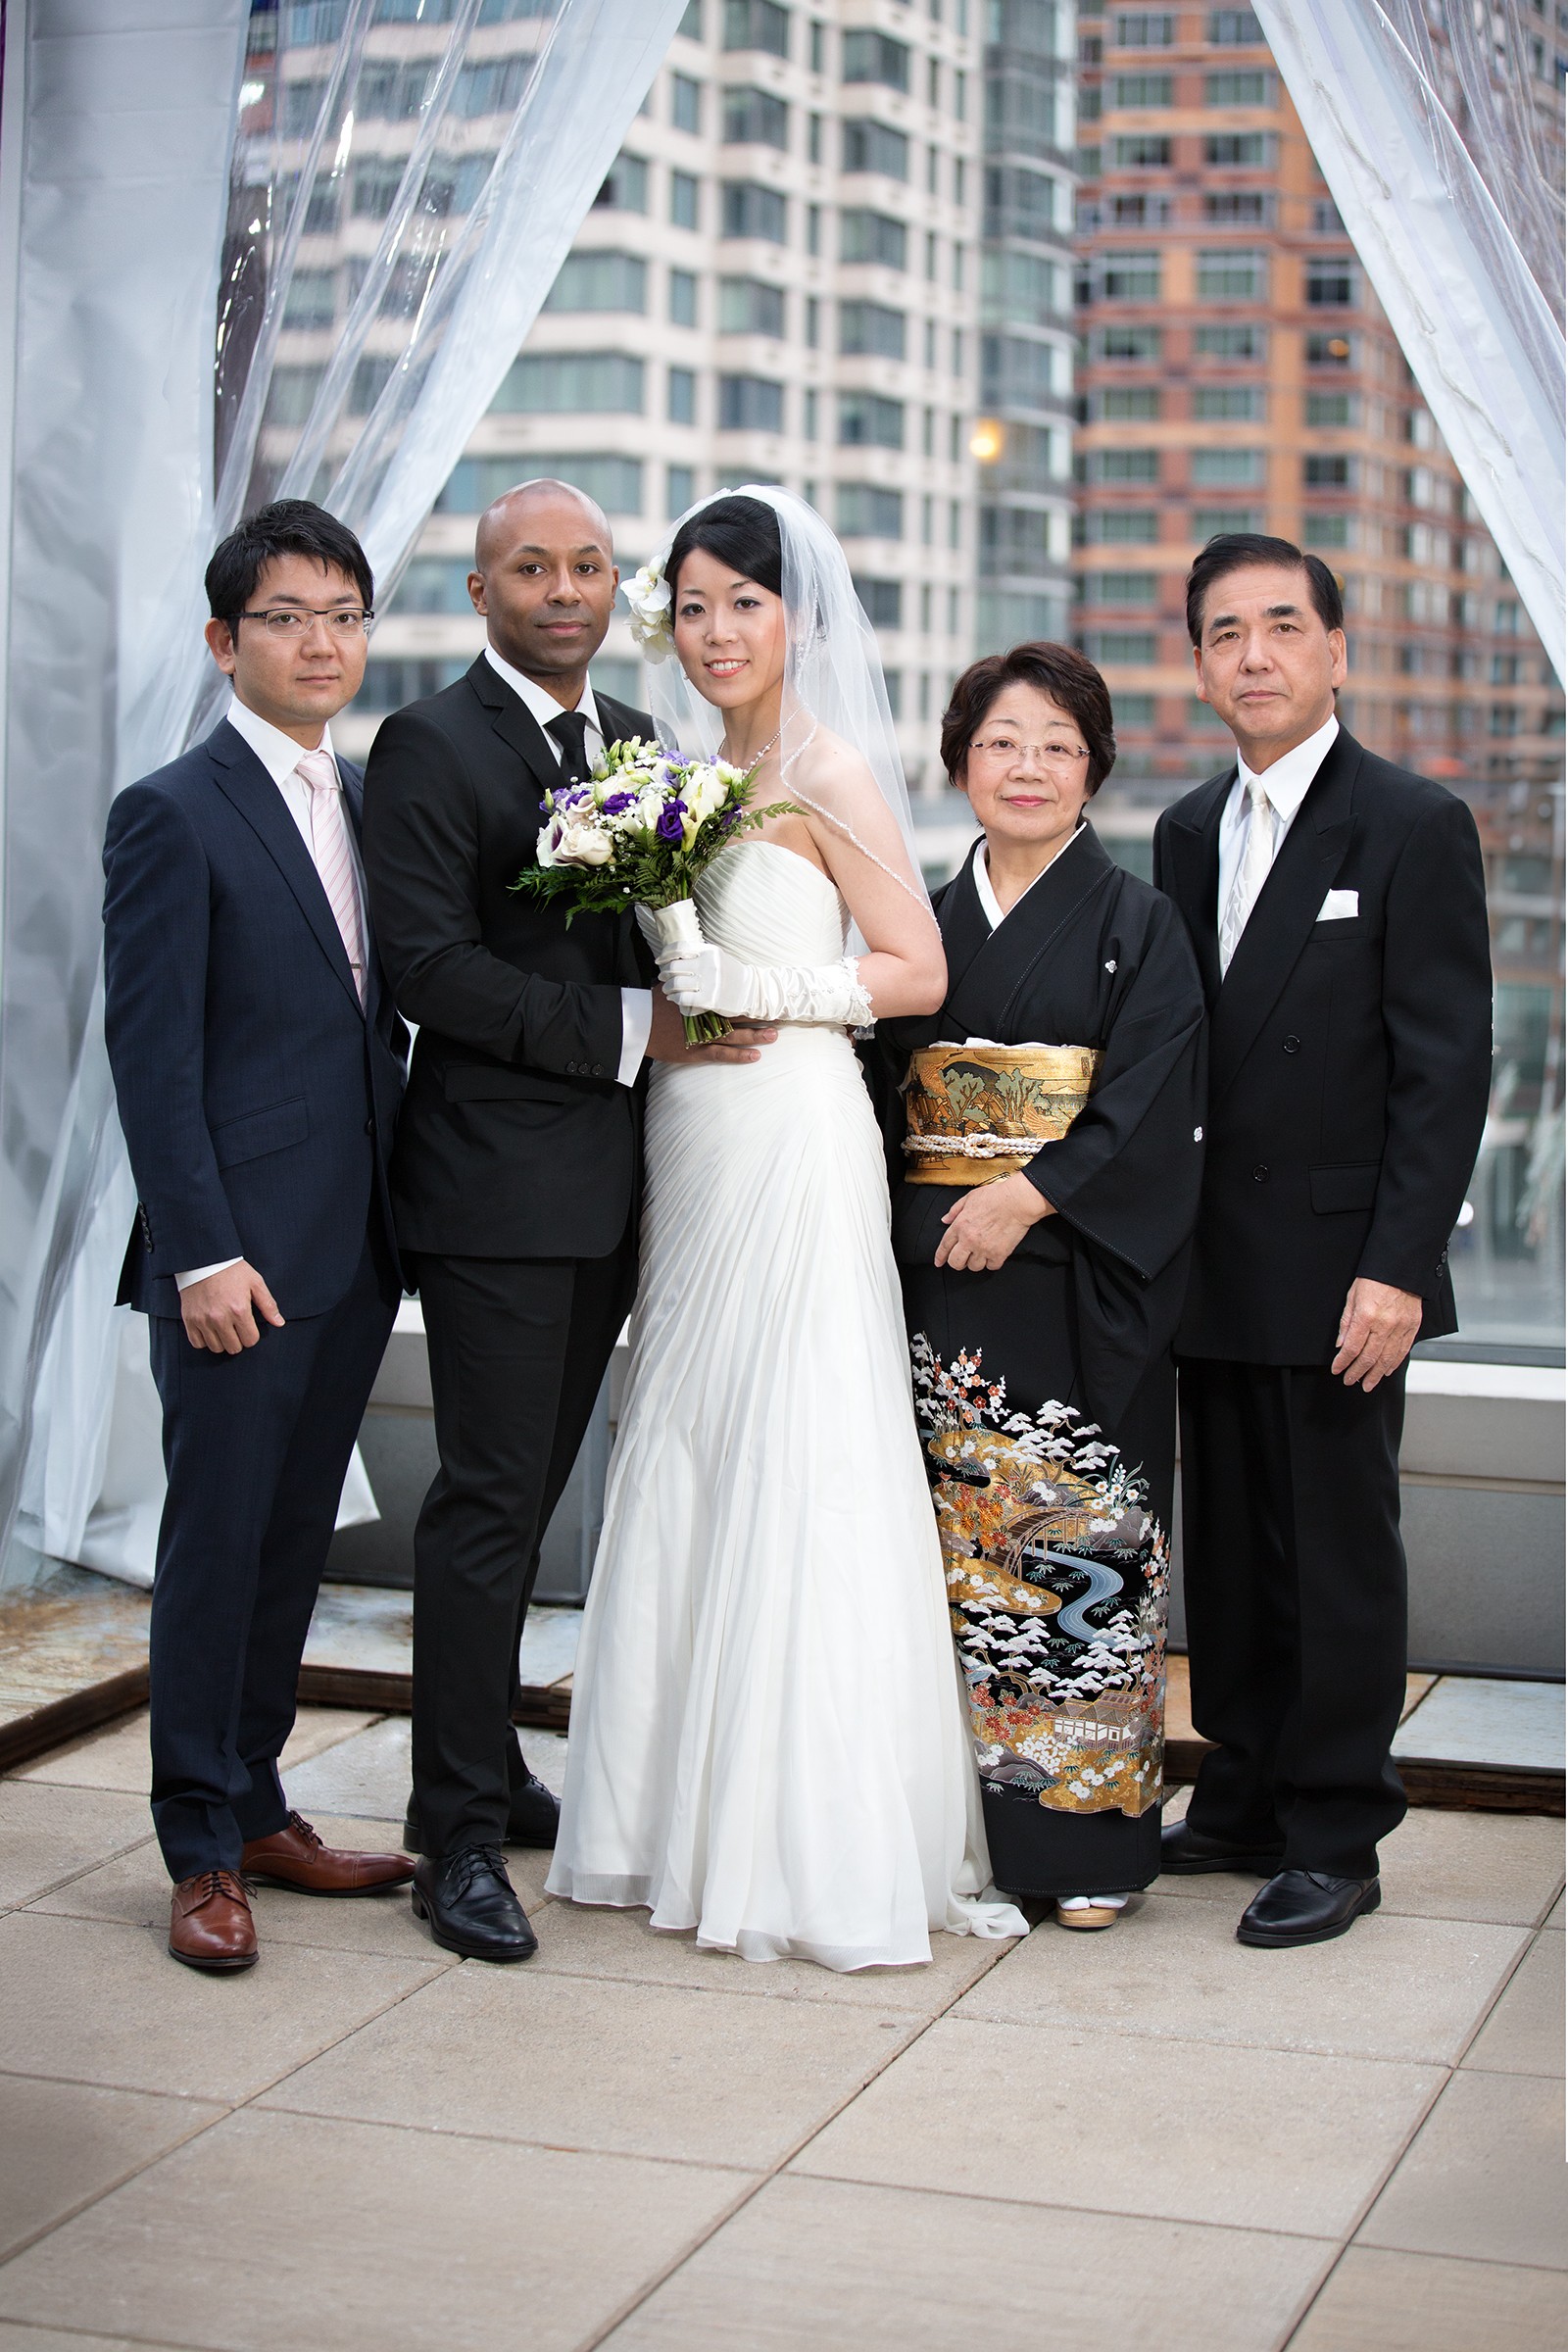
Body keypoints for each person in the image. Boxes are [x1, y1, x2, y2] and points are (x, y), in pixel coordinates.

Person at [546, 487, 1027, 1970]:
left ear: (796, 616)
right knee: (687, 1427)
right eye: (689, 607)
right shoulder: (666, 777)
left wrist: (759, 993)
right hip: (686, 1139)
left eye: (741, 604)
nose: (714, 632)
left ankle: (810, 1837)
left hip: (798, 1128)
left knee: (797, 1439)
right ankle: (659, 1817)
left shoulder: (827, 773)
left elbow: (919, 968)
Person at [360, 479, 772, 1965]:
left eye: (589, 565)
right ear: (480, 593)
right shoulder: (426, 744)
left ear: (618, 592)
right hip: (492, 1198)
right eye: (530, 566)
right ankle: (452, 1835)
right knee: (484, 1509)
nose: (563, 588)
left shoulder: (634, 745)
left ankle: (488, 1767)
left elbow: (662, 935)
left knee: (531, 1507)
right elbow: (429, 968)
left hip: (619, 1195)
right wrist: (630, 1031)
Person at [1153, 533, 1492, 1949]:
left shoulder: (1409, 822)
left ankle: (1338, 1829)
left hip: (1347, 1263)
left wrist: (1398, 1268)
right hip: (1210, 1259)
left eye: (1282, 627)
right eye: (1226, 634)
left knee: (1338, 1549)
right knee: (1228, 1546)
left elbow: (1447, 1065)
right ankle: (1238, 1790)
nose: (1255, 656)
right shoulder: (1181, 831)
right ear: (1199, 665)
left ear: (1336, 651)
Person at [101, 500, 415, 1973]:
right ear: (228, 643)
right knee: (216, 1547)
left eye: (344, 614)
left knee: (293, 1544)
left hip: (351, 1249)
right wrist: (198, 1252)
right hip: (236, 1263)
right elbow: (150, 1060)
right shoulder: (171, 812)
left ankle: (263, 1797)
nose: (320, 641)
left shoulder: (360, 802)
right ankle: (199, 1849)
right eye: (287, 616)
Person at [878, 644, 1206, 1930]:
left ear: (1093, 773)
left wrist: (1031, 1193)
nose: (1029, 766)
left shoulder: (1141, 926)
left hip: (1076, 1280)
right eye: (1004, 740)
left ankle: (1087, 1841)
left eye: (1059, 746)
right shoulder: (915, 924)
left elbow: (1158, 1097)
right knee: (942, 1558)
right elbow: (871, 1094)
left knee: (1078, 1552)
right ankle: (956, 1821)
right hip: (936, 1282)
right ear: (961, 758)